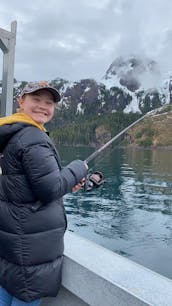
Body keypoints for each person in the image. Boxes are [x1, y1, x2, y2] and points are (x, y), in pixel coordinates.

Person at [0, 81, 88, 305]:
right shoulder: (32, 137)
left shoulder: (11, 133)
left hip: (13, 240)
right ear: (21, 102)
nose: (42, 106)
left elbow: (24, 187)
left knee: (6, 292)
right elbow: (50, 189)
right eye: (36, 100)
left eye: (48, 102)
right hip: (31, 248)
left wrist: (66, 183)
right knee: (25, 296)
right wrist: (78, 168)